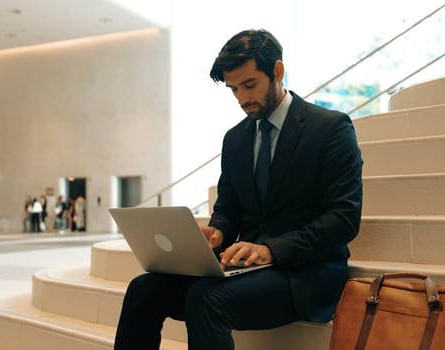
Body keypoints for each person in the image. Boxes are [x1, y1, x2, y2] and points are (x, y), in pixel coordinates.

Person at [113, 29, 363, 350]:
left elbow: (343, 219)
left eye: (249, 85)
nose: (243, 99)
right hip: (245, 269)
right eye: (233, 89)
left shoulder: (330, 129)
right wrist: (217, 231)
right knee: (143, 290)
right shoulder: (235, 138)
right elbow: (229, 208)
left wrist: (271, 249)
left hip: (303, 275)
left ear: (277, 71)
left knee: (206, 298)